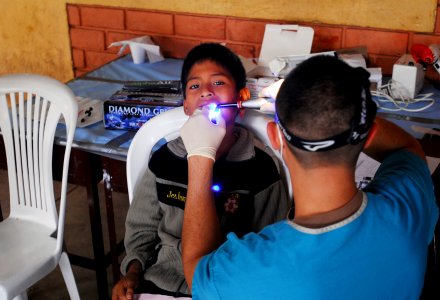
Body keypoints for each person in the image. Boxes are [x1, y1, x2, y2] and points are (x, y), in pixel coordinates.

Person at [180, 55, 439, 299]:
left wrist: (200, 156)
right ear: (368, 135)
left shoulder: (250, 268)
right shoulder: (407, 210)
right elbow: (407, 147)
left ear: (275, 137)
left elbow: (196, 270)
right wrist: (335, 109)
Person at [112, 43, 290, 299]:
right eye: (195, 86)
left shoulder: (260, 169)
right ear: (186, 105)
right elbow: (142, 229)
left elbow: (269, 246)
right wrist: (132, 272)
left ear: (240, 100)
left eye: (218, 83)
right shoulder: (164, 161)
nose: (206, 92)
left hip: (225, 289)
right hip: (158, 283)